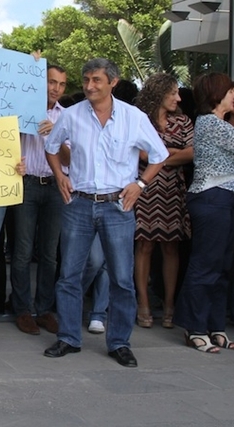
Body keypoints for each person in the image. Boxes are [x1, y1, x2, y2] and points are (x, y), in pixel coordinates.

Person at [43, 58, 168, 368]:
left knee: (122, 278)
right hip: (79, 203)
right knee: (69, 275)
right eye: (86, 79)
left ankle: (120, 342)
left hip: (117, 205)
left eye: (96, 80)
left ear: (113, 82)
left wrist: (140, 184)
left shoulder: (133, 117)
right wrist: (59, 176)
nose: (89, 86)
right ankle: (68, 337)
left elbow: (159, 155)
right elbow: (51, 146)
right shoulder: (71, 115)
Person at [174, 72, 234, 353]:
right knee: (206, 264)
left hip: (225, 197)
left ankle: (215, 326)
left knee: (222, 267)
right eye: (230, 91)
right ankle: (194, 327)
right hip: (212, 196)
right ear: (217, 94)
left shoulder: (221, 123)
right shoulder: (210, 123)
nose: (233, 95)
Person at [10, 64, 68, 335]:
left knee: (49, 253)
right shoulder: (20, 110)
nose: (56, 88)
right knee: (22, 251)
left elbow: (71, 159)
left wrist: (55, 136)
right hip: (27, 184)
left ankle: (44, 309)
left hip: (55, 186)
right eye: (51, 82)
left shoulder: (67, 117)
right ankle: (22, 309)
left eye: (61, 84)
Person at [133, 73, 193, 329]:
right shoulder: (139, 119)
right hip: (145, 189)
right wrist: (172, 153)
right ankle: (143, 303)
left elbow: (192, 153)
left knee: (171, 247)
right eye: (173, 93)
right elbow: (140, 153)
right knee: (144, 246)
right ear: (159, 93)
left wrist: (158, 156)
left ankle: (169, 305)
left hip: (172, 191)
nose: (178, 98)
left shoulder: (183, 121)